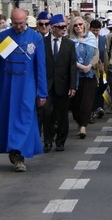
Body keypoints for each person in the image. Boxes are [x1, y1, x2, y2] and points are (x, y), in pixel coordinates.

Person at [0, 9, 48, 172]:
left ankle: (19, 154)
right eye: (15, 23)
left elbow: (40, 67)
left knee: (24, 119)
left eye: (21, 23)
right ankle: (13, 151)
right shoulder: (4, 36)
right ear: (11, 21)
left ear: (26, 20)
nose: (19, 27)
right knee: (8, 118)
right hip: (7, 85)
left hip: (27, 86)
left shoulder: (36, 38)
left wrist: (42, 92)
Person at [42, 14, 77, 152]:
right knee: (47, 112)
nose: (64, 29)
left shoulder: (69, 44)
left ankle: (61, 141)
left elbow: (72, 66)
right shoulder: (43, 42)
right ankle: (48, 140)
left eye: (65, 27)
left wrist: (72, 86)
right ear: (53, 28)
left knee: (62, 114)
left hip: (63, 84)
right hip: (47, 83)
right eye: (61, 27)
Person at [68, 16, 99, 139]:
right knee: (76, 103)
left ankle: (83, 126)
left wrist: (89, 65)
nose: (78, 27)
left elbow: (96, 54)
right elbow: (68, 58)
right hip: (75, 75)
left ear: (84, 25)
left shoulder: (91, 38)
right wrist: (80, 66)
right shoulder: (69, 40)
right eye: (75, 25)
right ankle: (79, 121)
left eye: (80, 24)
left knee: (87, 101)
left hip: (89, 74)